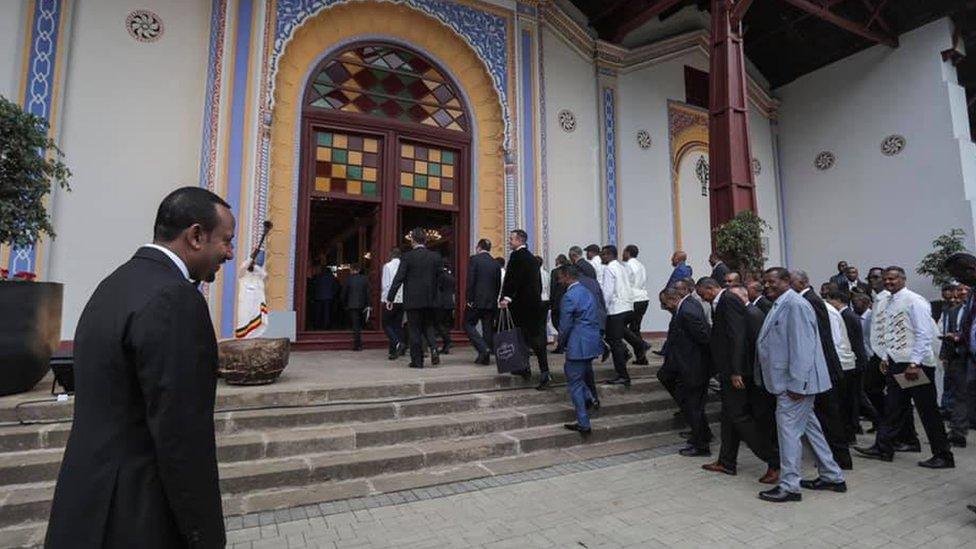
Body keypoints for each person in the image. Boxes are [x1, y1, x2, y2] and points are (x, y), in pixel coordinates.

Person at [46, 187, 234, 548]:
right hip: (137, 514)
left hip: (87, 501)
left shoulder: (115, 284)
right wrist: (204, 533)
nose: (229, 253)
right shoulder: (176, 300)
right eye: (226, 240)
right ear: (196, 236)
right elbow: (181, 433)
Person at [757, 267, 846, 503]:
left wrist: (797, 384)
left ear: (787, 281)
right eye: (764, 282)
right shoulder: (782, 302)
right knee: (811, 429)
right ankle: (831, 475)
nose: (767, 286)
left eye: (772, 281)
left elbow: (802, 347)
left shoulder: (795, 305)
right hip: (790, 382)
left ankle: (789, 486)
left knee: (788, 434)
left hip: (794, 385)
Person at [853, 267, 955, 468]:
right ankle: (883, 447)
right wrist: (886, 356)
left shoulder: (915, 301)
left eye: (893, 278)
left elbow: (924, 334)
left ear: (903, 279)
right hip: (897, 363)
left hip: (915, 366)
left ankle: (943, 455)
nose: (888, 282)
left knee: (928, 411)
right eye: (886, 279)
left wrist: (914, 363)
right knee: (892, 409)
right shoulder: (890, 301)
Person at [697, 279, 779, 479]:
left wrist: (736, 370)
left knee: (740, 417)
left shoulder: (728, 300)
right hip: (728, 370)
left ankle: (775, 460)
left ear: (710, 288)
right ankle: (726, 461)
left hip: (735, 372)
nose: (702, 298)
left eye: (702, 294)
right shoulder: (722, 302)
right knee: (728, 417)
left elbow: (737, 335)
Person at [791, 270, 853, 470]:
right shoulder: (807, 300)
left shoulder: (811, 302)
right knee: (823, 416)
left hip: (825, 367)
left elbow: (824, 339)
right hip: (821, 367)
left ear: (801, 283)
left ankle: (839, 459)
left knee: (830, 416)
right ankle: (831, 458)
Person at [659, 286, 712, 457]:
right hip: (689, 366)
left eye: (664, 303)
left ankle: (701, 446)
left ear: (673, 299)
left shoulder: (687, 311)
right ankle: (702, 435)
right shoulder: (688, 305)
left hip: (693, 368)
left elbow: (703, 338)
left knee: (693, 407)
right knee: (693, 406)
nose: (664, 307)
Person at [556, 265, 605, 435]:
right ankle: (590, 398)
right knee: (579, 374)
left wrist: (561, 343)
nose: (559, 281)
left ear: (568, 277)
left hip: (578, 342)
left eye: (560, 277)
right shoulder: (587, 292)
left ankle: (583, 422)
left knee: (574, 382)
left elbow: (565, 325)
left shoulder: (569, 296)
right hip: (591, 340)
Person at [500, 229, 551, 389]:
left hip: (520, 305)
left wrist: (506, 298)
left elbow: (513, 279)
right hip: (534, 305)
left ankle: (529, 368)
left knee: (521, 336)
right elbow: (537, 284)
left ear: (519, 240)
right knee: (534, 339)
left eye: (511, 239)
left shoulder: (517, 256)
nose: (509, 241)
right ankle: (539, 370)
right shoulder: (532, 259)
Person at [387, 228, 442, 369]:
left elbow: (398, 279)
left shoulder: (407, 257)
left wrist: (390, 298)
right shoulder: (435, 257)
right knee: (428, 325)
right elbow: (440, 279)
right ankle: (434, 348)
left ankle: (417, 362)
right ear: (425, 240)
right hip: (430, 299)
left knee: (415, 329)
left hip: (413, 300)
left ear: (413, 240)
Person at [600, 245, 647, 386]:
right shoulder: (621, 266)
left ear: (609, 255)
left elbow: (608, 292)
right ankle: (639, 344)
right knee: (613, 335)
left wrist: (604, 308)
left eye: (603, 254)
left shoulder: (609, 268)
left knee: (614, 342)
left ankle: (623, 375)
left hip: (616, 308)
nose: (601, 257)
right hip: (627, 306)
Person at [822, 289, 859, 442]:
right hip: (842, 362)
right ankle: (847, 435)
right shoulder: (830, 310)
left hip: (841, 363)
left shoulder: (828, 311)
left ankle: (845, 436)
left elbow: (836, 341)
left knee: (842, 404)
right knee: (844, 403)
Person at [937, 284, 968, 447]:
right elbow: (947, 332)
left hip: (971, 354)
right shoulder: (952, 310)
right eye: (960, 289)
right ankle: (958, 432)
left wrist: (959, 337)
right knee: (959, 394)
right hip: (957, 357)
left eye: (967, 289)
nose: (963, 292)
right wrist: (944, 354)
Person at [465, 239, 502, 366]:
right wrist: (495, 299)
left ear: (479, 247)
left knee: (468, 324)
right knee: (487, 328)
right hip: (491, 301)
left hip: (476, 300)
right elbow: (498, 284)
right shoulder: (495, 263)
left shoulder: (474, 260)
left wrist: (469, 299)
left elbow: (471, 280)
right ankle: (485, 356)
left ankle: (483, 349)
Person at [623, 244, 650, 364]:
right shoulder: (641, 265)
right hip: (643, 297)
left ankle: (641, 344)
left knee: (620, 326)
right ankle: (641, 358)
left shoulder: (628, 265)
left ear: (628, 253)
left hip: (633, 298)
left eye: (624, 252)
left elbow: (625, 283)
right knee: (635, 328)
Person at [381, 248, 406, 360]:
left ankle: (397, 343)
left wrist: (387, 299)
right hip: (402, 299)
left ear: (391, 255)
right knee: (397, 325)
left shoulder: (387, 266)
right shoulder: (404, 266)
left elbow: (386, 285)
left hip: (391, 299)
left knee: (386, 324)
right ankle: (393, 351)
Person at [340, 263, 370, 351]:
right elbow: (368, 293)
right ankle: (359, 343)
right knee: (361, 323)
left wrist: (343, 304)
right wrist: (368, 304)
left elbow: (344, 293)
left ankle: (358, 345)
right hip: (363, 304)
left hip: (352, 305)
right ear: (359, 270)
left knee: (355, 325)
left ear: (351, 270)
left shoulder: (348, 279)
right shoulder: (365, 279)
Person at [550, 254, 571, 354]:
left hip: (558, 301)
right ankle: (566, 343)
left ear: (558, 261)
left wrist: (551, 301)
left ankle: (562, 344)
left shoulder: (555, 272)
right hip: (569, 299)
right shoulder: (570, 270)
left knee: (556, 322)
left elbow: (553, 288)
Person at [435, 259, 456, 355]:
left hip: (441, 303)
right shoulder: (450, 276)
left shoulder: (440, 276)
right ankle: (446, 345)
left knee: (438, 323)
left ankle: (447, 341)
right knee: (446, 324)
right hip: (450, 303)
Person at [310, 264, 339, 329]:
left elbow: (312, 287)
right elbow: (336, 287)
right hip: (328, 297)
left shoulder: (317, 277)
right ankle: (326, 326)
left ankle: (317, 325)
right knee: (327, 312)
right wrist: (333, 294)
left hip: (318, 297)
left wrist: (313, 295)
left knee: (318, 312)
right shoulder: (332, 277)